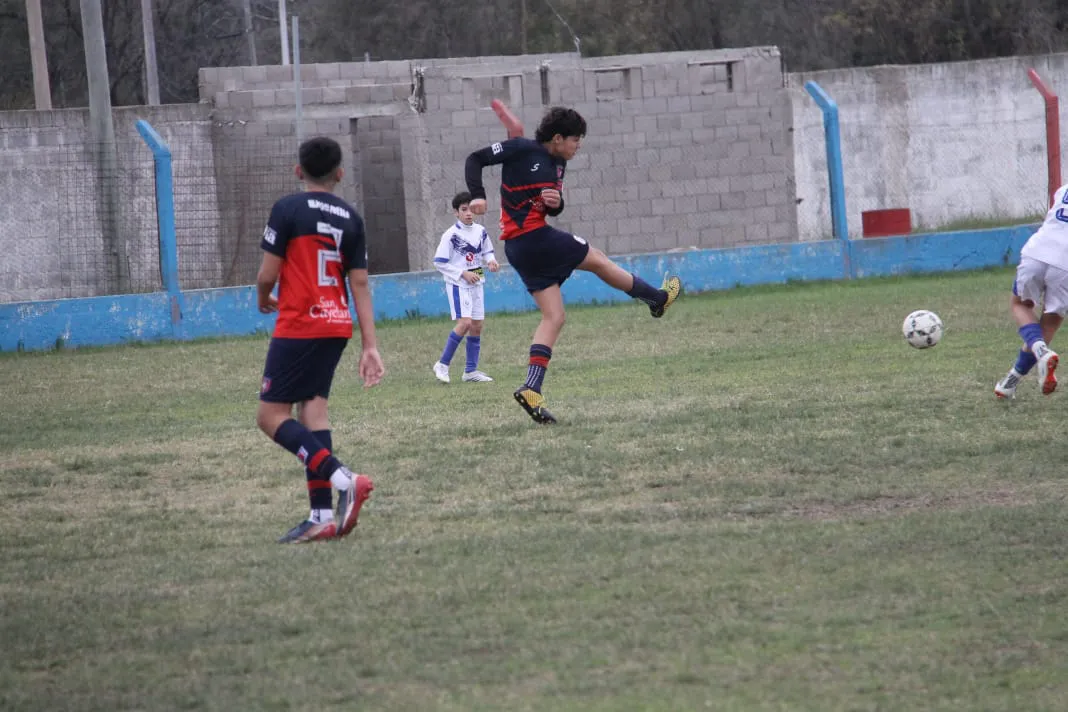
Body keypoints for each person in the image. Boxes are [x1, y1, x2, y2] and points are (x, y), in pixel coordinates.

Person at [464, 106, 682, 424]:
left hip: (521, 248)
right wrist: (478, 195)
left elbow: (553, 206)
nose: (579, 145)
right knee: (598, 260)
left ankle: (531, 388)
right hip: (533, 239)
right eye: (576, 140)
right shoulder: (522, 148)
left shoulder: (559, 164)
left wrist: (558, 203)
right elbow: (475, 159)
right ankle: (657, 299)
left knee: (554, 316)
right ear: (558, 138)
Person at [255, 136, 385, 543]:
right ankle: (321, 516)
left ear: (298, 172)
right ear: (340, 175)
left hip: (300, 325)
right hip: (336, 326)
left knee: (271, 417)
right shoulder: (351, 218)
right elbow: (360, 283)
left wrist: (263, 298)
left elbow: (266, 274)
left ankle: (344, 478)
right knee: (313, 414)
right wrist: (370, 345)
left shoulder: (287, 208)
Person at [994, 183, 1068, 399]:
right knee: (1051, 319)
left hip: (1037, 251)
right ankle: (1041, 351)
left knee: (1020, 304)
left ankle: (1008, 383)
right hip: (1065, 265)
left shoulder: (1063, 189)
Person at [432, 191, 500, 384]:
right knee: (465, 323)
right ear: (456, 212)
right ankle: (442, 364)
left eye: (471, 209)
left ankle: (470, 371)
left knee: (477, 325)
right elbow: (439, 262)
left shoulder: (480, 231)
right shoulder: (451, 235)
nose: (468, 213)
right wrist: (462, 273)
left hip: (477, 281)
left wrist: (492, 261)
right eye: (464, 209)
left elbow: (487, 251)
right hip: (458, 284)